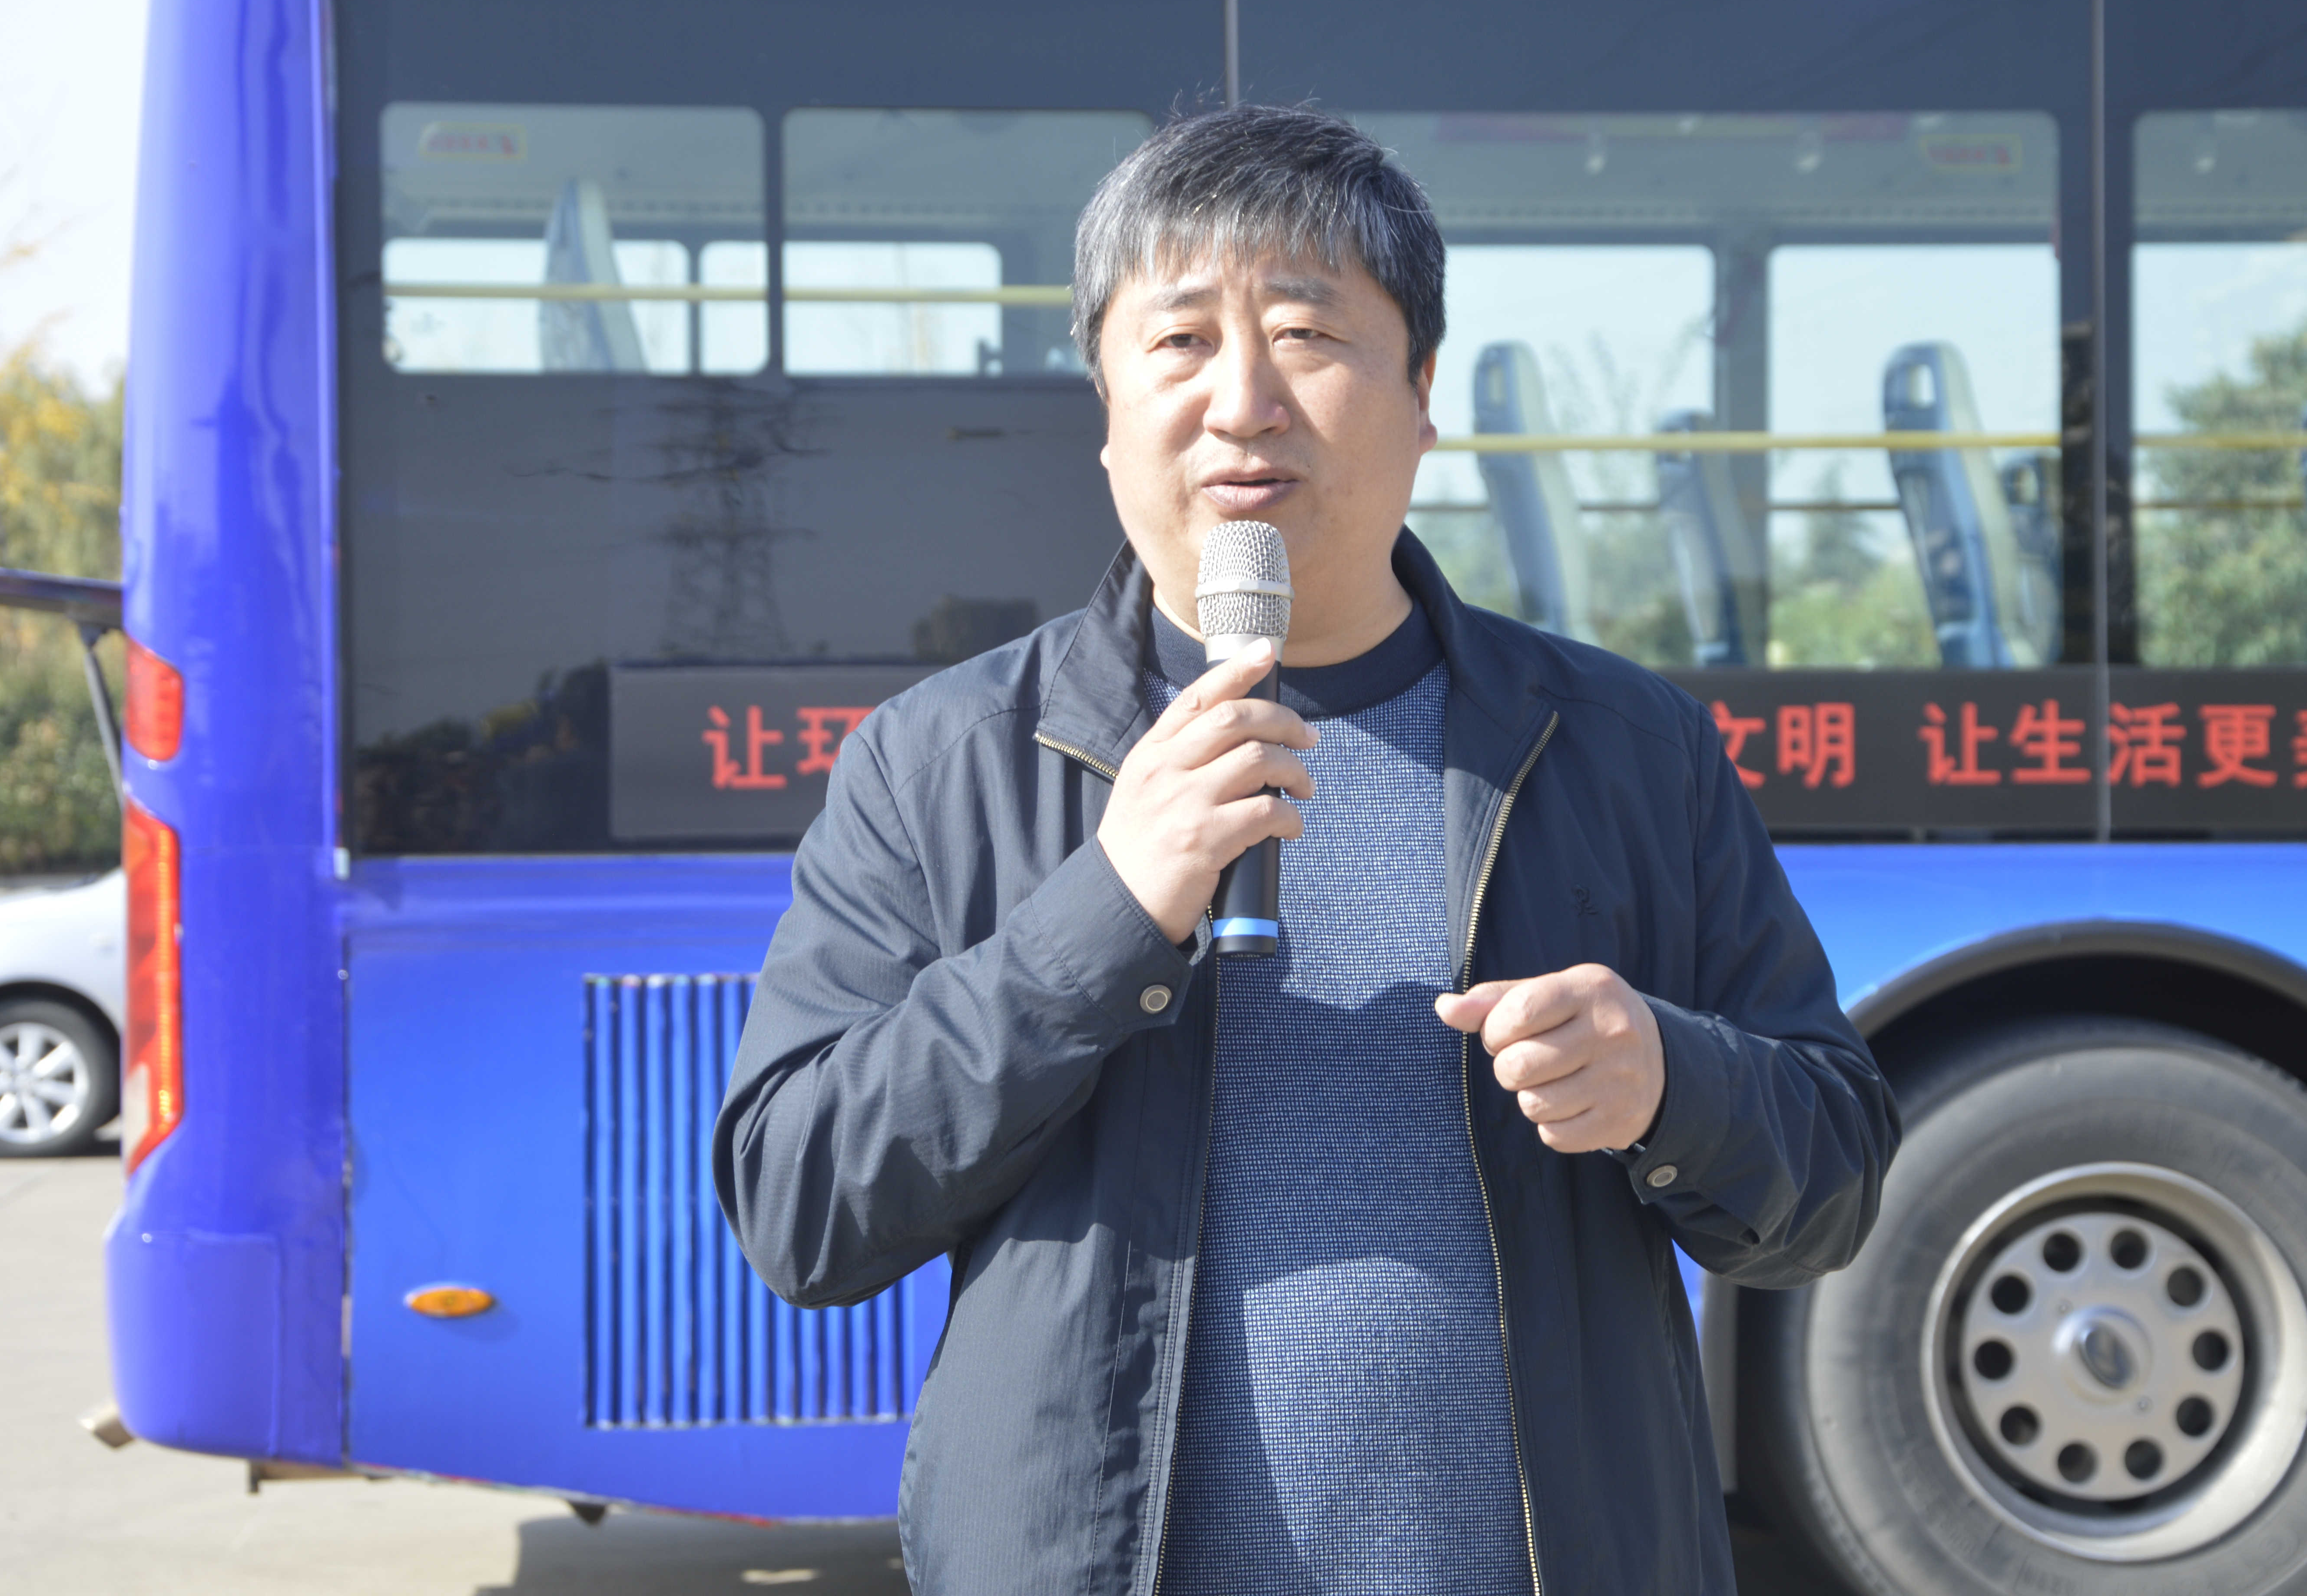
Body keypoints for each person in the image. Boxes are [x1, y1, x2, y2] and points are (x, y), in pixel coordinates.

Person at [717, 106, 1900, 1595]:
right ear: (1106, 408)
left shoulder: (1623, 747)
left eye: (1306, 335)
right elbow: (802, 1210)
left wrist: (1670, 1078)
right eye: (1180, 342)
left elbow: (1833, 1177)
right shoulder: (945, 758)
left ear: (1423, 394)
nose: (1243, 403)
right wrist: (1101, 917)